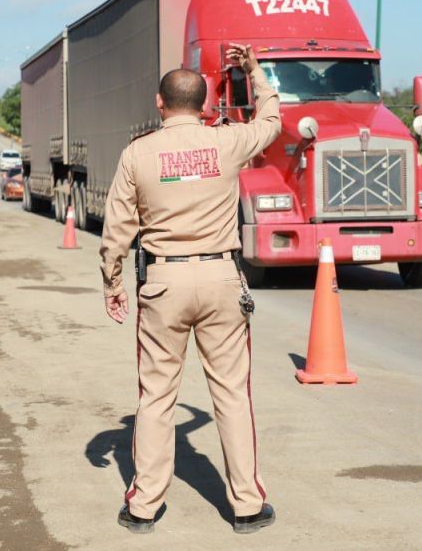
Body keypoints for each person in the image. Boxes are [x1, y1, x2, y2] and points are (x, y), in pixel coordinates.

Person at [99, 44, 280, 535]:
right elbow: (272, 118)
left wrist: (113, 283)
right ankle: (245, 505)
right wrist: (253, 71)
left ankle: (144, 507)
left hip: (163, 283)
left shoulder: (138, 153)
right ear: (203, 105)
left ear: (160, 103)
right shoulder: (228, 142)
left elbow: (116, 230)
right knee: (232, 394)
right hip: (222, 279)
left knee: (156, 395)